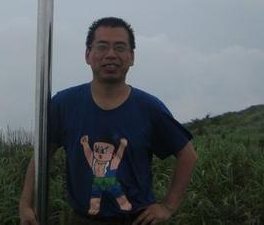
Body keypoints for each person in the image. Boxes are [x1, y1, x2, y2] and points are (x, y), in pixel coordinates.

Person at [19, 17, 198, 225]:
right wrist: (25, 203)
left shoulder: (149, 108)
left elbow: (188, 156)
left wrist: (168, 206)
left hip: (136, 220)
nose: (111, 54)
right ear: (88, 55)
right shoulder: (64, 104)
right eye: (102, 46)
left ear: (132, 57)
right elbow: (42, 155)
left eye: (120, 48)